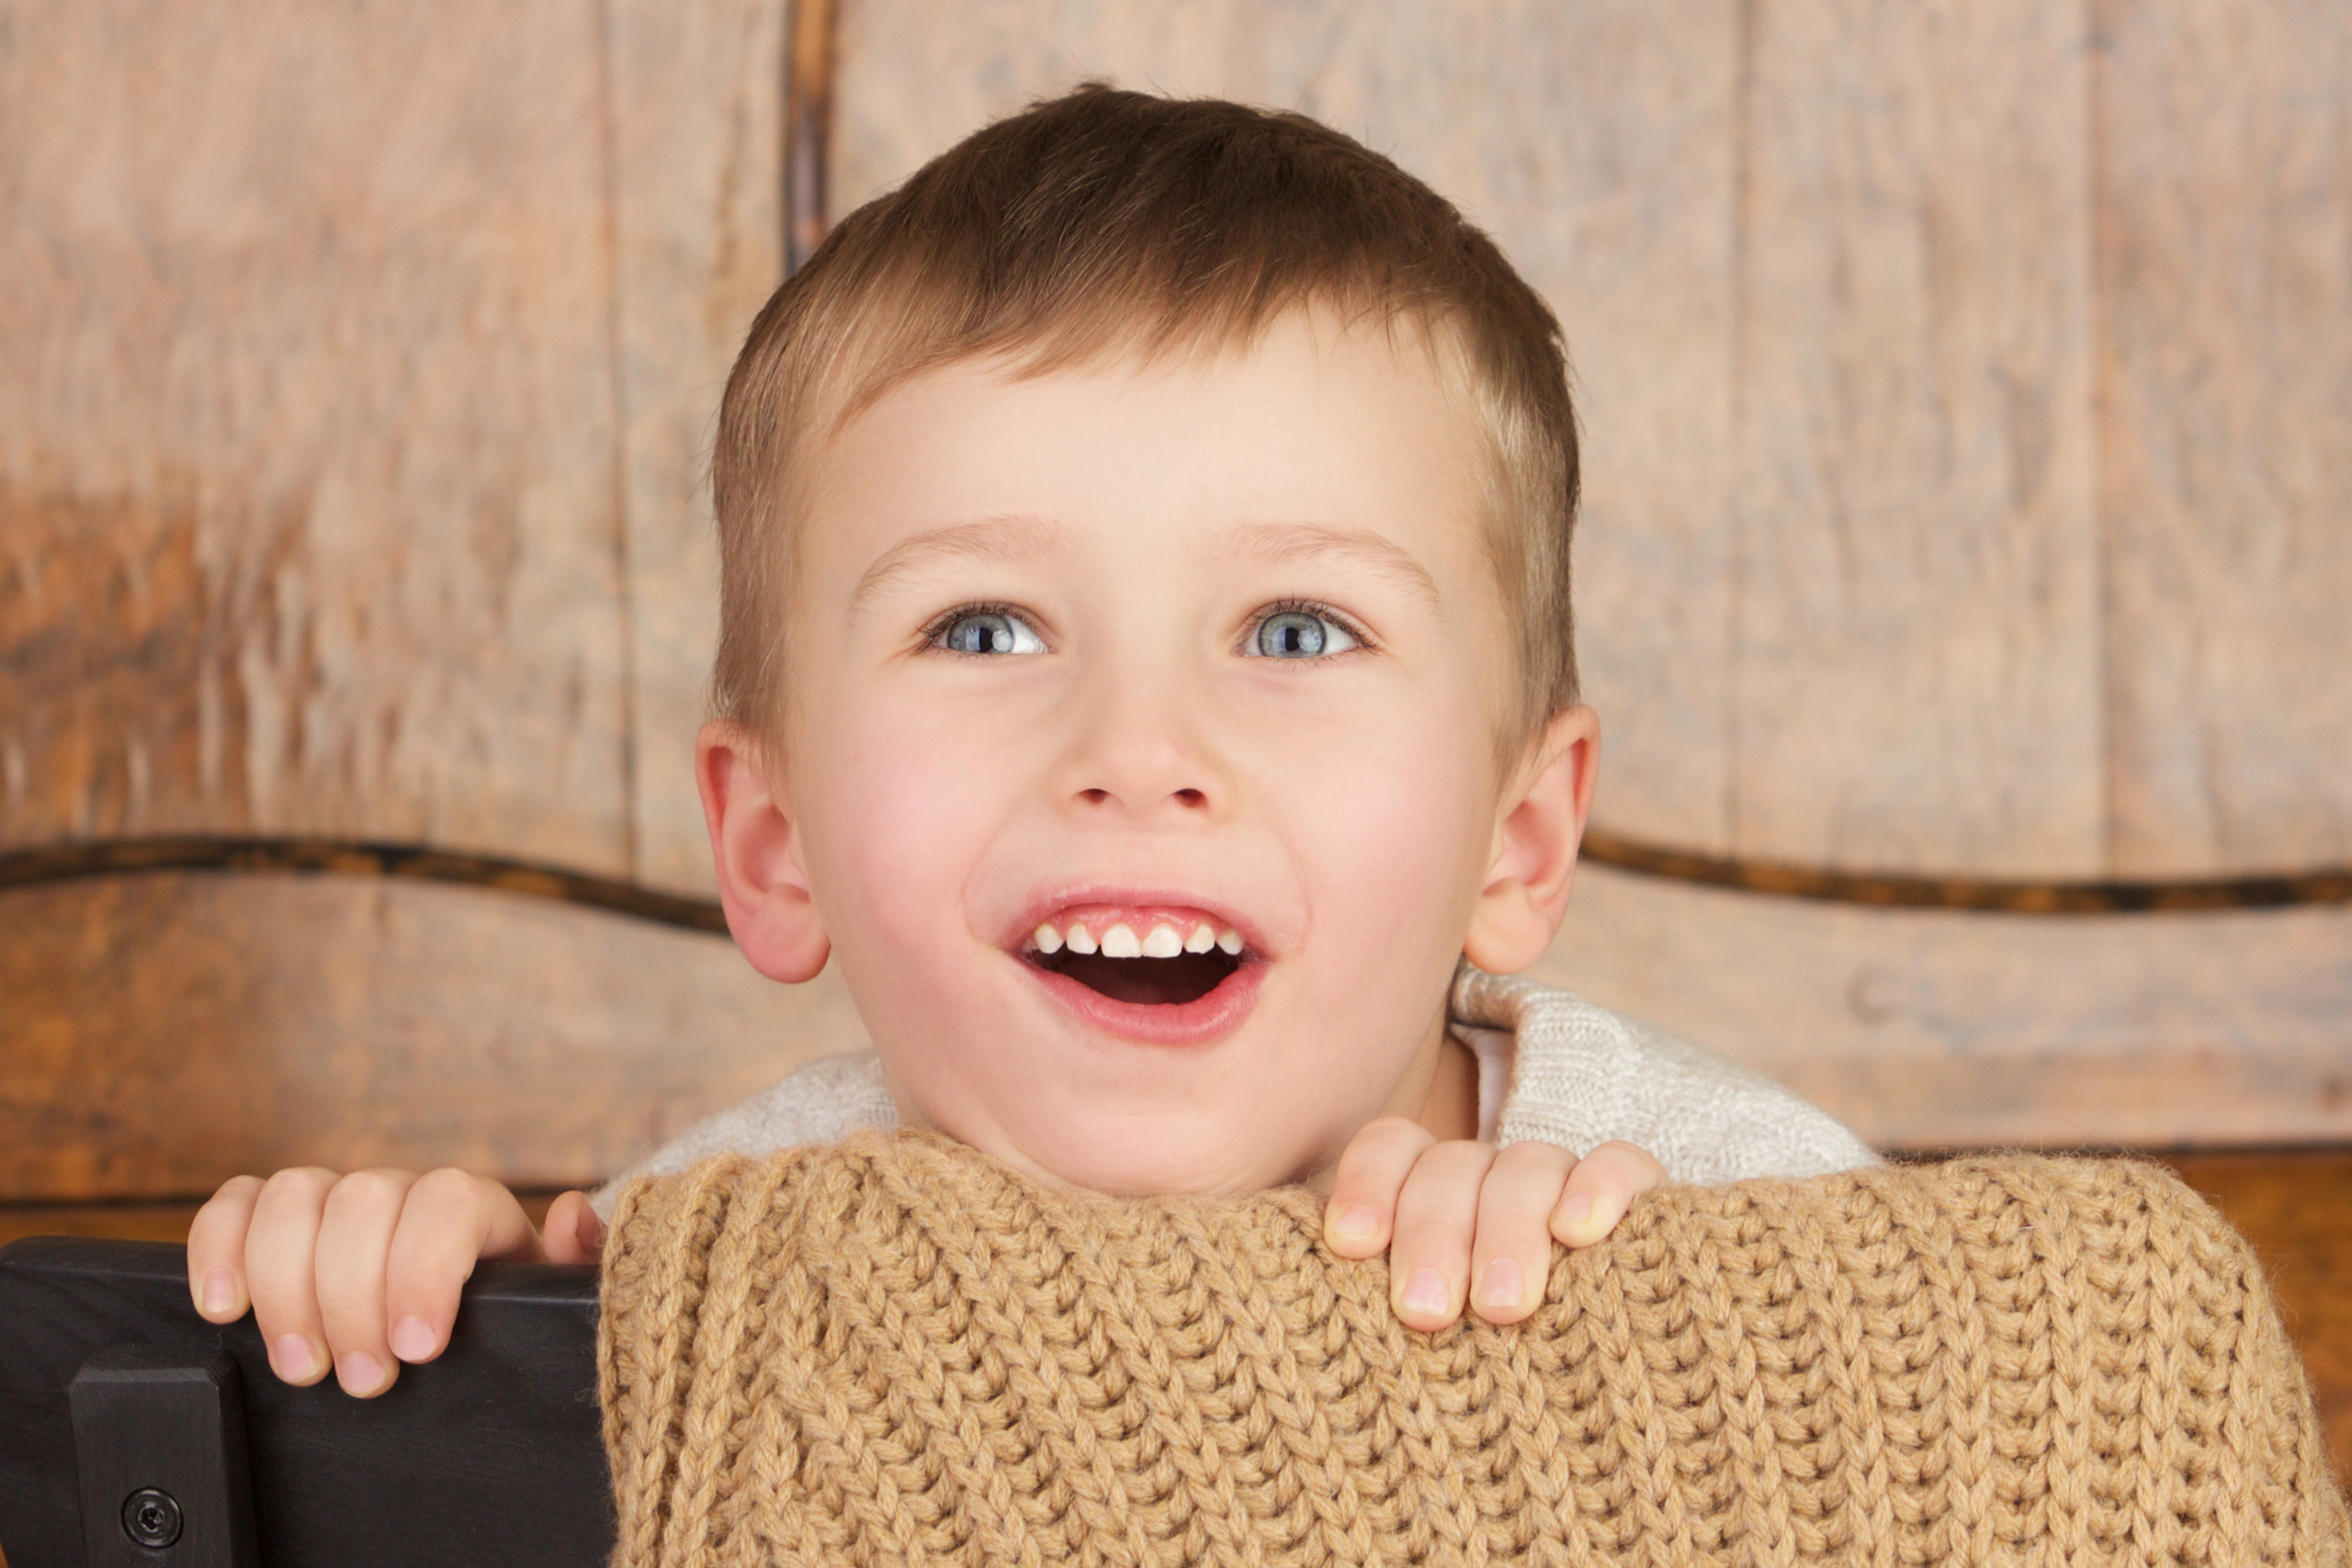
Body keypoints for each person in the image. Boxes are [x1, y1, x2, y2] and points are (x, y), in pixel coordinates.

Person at [185, 85, 1875, 1402]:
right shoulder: (709, 1275)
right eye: (984, 630)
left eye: (1296, 632)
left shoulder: (1765, 1229)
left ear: (1518, 843)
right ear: (774, 846)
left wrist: (1690, 1345)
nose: (1138, 753)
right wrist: (437, 1330)